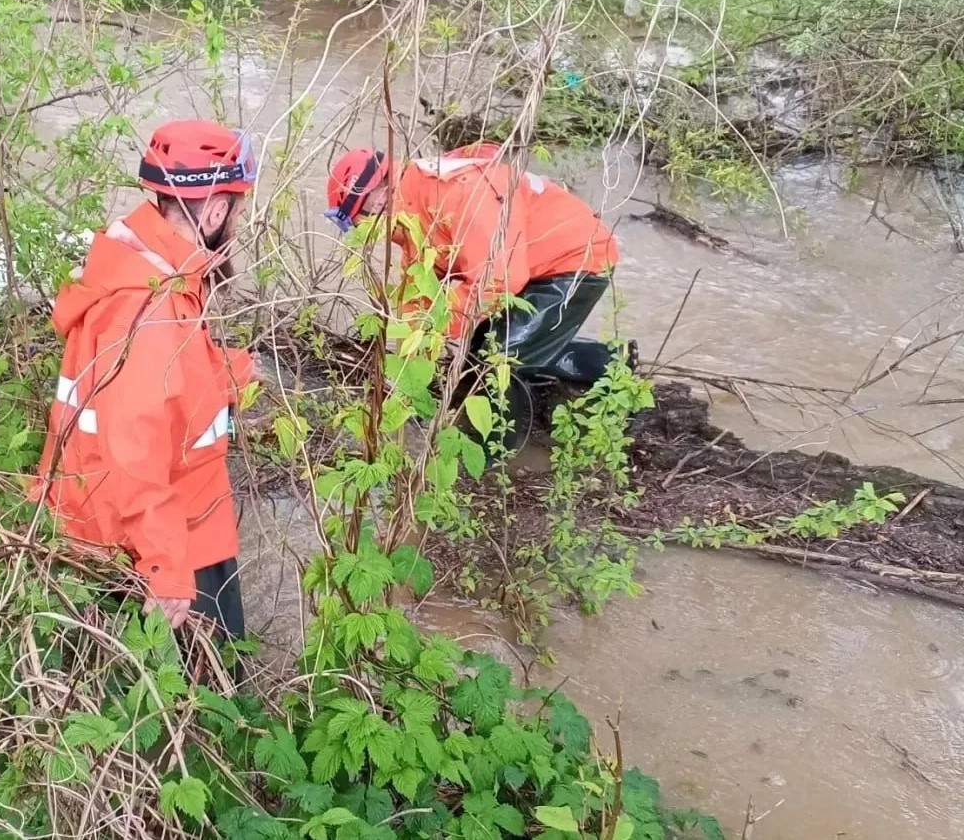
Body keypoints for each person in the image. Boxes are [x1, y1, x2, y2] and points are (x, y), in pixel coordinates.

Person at [34, 119, 259, 646]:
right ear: (215, 210)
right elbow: (132, 445)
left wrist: (228, 375)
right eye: (238, 210)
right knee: (211, 698)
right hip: (166, 541)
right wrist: (166, 568)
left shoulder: (148, 270)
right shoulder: (153, 308)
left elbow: (153, 392)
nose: (238, 223)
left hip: (113, 525)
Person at [324, 142, 636, 445]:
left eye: (360, 222)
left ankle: (501, 452)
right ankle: (614, 359)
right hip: (529, 262)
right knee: (481, 351)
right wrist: (409, 380)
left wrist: (441, 326)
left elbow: (501, 278)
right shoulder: (411, 212)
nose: (364, 233)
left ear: (376, 201)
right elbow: (417, 301)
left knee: (497, 357)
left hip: (575, 259)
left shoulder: (458, 192)